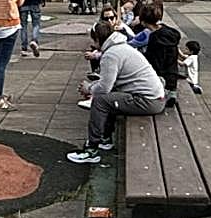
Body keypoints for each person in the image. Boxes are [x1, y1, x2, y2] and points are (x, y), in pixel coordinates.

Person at [67, 20, 166, 164]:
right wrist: (93, 86)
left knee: (100, 101)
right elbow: (110, 83)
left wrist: (89, 88)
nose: (93, 44)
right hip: (154, 97)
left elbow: (104, 88)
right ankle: (105, 138)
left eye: (93, 40)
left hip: (148, 101)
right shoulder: (121, 47)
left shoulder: (111, 55)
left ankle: (92, 150)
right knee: (110, 98)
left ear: (98, 39)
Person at [134, 2, 181, 107]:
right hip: (172, 77)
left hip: (163, 80)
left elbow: (155, 63)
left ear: (143, 21)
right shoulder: (168, 31)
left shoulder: (155, 38)